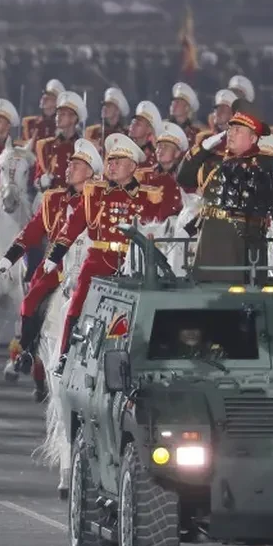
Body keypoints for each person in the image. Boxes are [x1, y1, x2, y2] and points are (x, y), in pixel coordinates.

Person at [46, 134, 164, 374]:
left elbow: (159, 232)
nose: (110, 165)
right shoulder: (94, 193)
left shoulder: (148, 197)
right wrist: (53, 257)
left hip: (134, 265)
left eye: (117, 162)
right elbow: (72, 227)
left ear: (132, 167)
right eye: (110, 161)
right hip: (99, 261)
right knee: (76, 304)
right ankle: (64, 356)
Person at [0, 139, 101, 372]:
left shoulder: (99, 199)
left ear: (90, 173)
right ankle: (26, 350)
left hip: (90, 264)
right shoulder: (53, 199)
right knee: (30, 302)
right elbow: (32, 232)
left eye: (75, 165)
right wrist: (10, 256)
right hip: (55, 269)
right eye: (70, 164)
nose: (68, 168)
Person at [178, 101, 273, 282]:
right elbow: (184, 177)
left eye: (238, 130)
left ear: (253, 138)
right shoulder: (214, 163)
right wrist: (203, 148)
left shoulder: (266, 168)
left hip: (243, 248)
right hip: (208, 246)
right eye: (230, 129)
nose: (231, 133)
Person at [33, 91, 85, 190]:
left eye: (63, 114)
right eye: (58, 114)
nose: (58, 117)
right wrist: (41, 181)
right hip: (51, 200)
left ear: (73, 119)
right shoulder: (46, 145)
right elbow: (37, 178)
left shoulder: (83, 147)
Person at [136, 122, 186, 218]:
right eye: (159, 146)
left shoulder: (186, 178)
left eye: (166, 147)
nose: (160, 150)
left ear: (177, 153)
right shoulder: (143, 175)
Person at [83, 87, 130, 152]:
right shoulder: (92, 132)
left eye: (109, 106)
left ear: (117, 111)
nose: (104, 108)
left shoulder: (126, 134)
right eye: (104, 105)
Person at [128, 100, 162, 167]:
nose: (132, 126)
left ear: (148, 130)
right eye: (133, 122)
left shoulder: (152, 157)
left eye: (138, 124)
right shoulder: (124, 149)